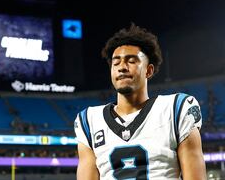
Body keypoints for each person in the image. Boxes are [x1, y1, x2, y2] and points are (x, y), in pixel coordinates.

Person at [74, 23, 206, 179]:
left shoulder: (177, 108)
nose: (122, 67)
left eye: (131, 61)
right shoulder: (89, 121)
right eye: (116, 63)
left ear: (148, 70)